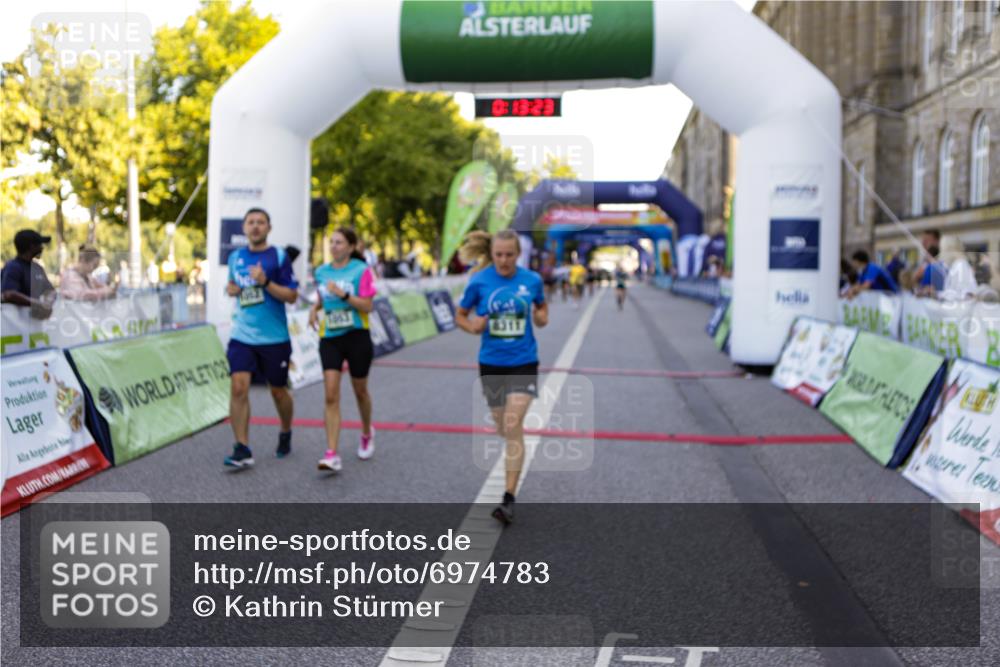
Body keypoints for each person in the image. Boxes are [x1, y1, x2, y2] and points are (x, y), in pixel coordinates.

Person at [455, 229, 548, 526]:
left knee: (512, 422)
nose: (504, 261)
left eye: (509, 255)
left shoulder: (531, 280)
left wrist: (541, 317)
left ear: (518, 254)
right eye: (498, 255)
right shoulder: (480, 281)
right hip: (491, 363)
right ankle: (512, 448)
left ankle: (508, 498)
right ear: (491, 254)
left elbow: (542, 307)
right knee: (502, 425)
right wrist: (473, 328)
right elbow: (460, 315)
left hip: (524, 361)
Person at [223, 208, 299, 468]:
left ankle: (286, 430)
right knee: (238, 387)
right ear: (244, 227)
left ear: (269, 227)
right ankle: (242, 447)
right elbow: (233, 287)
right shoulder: (236, 257)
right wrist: (231, 289)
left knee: (278, 391)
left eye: (260, 223)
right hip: (242, 334)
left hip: (274, 337)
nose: (255, 227)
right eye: (251, 222)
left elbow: (291, 296)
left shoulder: (277, 256)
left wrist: (266, 282)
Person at [309, 227, 377, 472]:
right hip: (331, 337)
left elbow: (367, 306)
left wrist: (345, 294)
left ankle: (367, 432)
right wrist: (314, 309)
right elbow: (323, 297)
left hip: (357, 335)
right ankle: (331, 453)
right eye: (332, 242)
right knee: (330, 394)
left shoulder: (362, 271)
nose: (334, 246)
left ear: (351, 246)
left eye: (339, 242)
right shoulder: (321, 271)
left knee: (360, 391)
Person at [1, 229, 56, 319]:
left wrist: (48, 301)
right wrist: (36, 303)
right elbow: (9, 294)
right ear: (32, 246)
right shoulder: (13, 267)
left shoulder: (38, 268)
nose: (42, 248)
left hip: (34, 327)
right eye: (40, 244)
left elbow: (50, 290)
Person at [939, 235, 977, 301]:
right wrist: (937, 294)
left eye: (942, 249)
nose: (941, 253)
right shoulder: (956, 265)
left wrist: (938, 295)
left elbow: (966, 295)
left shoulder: (960, 264)